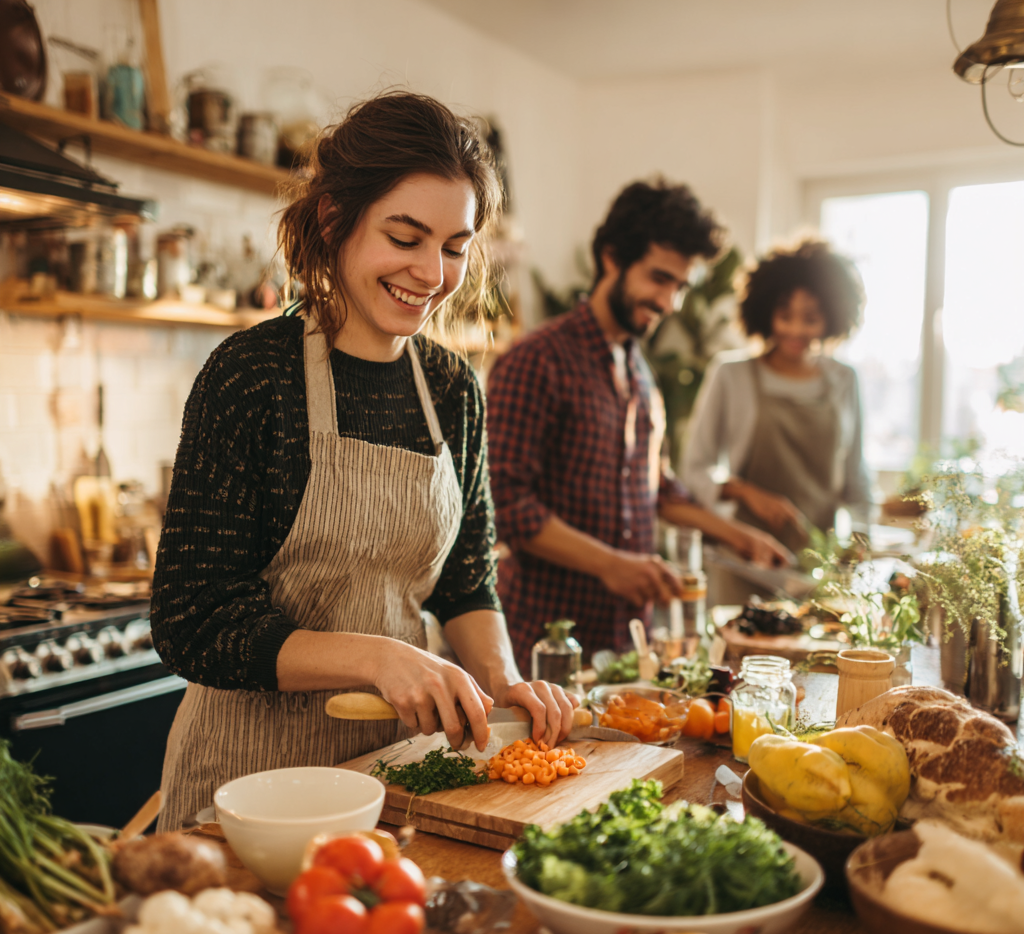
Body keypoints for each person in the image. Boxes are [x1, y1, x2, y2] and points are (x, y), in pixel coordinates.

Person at [151, 91, 576, 831]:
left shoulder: (453, 391)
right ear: (332, 220)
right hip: (248, 789)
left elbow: (467, 584)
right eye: (405, 236)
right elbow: (193, 621)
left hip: (399, 774)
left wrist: (503, 681)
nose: (431, 272)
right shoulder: (252, 375)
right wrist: (378, 657)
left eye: (453, 246)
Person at [487, 180, 789, 671]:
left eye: (680, 287)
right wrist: (611, 565)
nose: (670, 302)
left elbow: (658, 486)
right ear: (611, 258)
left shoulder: (640, 372)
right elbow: (506, 504)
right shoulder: (534, 361)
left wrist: (737, 537)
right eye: (659, 279)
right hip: (547, 647)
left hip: (628, 646)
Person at [682, 239, 870, 555]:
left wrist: (860, 537)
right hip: (742, 555)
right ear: (765, 313)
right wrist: (744, 492)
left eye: (810, 318)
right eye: (785, 316)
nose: (796, 330)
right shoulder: (731, 374)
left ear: (832, 318)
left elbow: (856, 478)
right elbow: (694, 471)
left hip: (816, 558)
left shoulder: (843, 380)